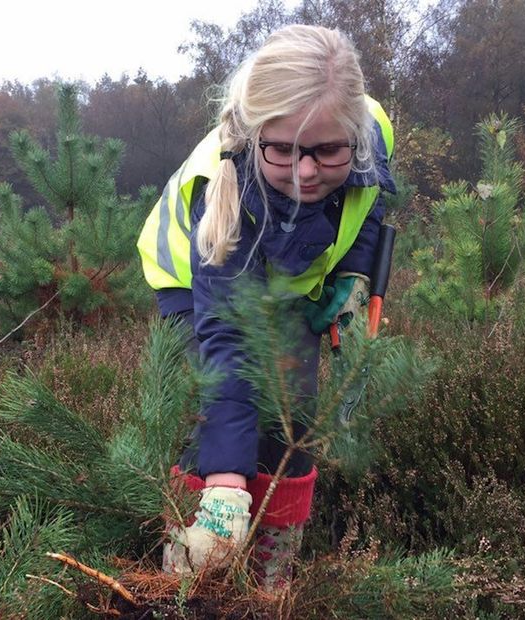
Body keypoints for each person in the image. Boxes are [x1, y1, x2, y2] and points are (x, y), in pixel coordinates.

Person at [136, 25, 394, 587]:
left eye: (327, 150)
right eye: (283, 149)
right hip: (197, 280)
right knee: (213, 414)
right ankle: (192, 565)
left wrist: (350, 276)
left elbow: (371, 208)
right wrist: (227, 486)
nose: (305, 172)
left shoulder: (374, 135)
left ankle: (268, 577)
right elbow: (228, 346)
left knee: (290, 414)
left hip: (287, 282)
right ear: (254, 136)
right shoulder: (224, 192)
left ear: (356, 134)